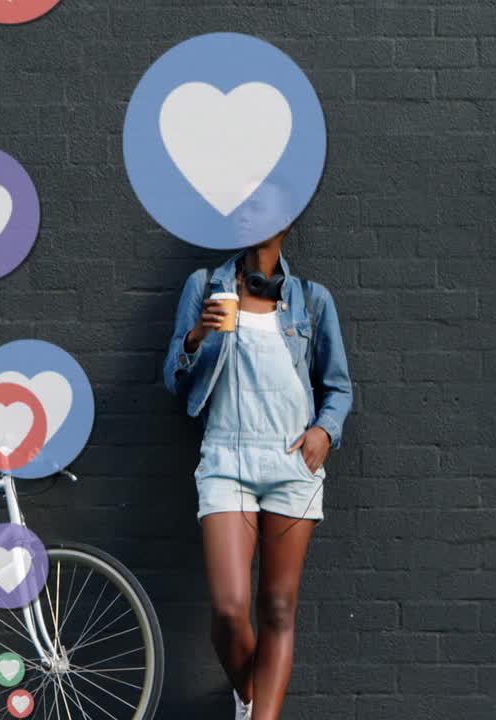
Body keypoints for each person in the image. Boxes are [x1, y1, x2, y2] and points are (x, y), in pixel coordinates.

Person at [162, 183, 353, 720]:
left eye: (258, 209)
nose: (246, 217)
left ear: (285, 221)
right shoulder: (205, 286)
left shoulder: (312, 300)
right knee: (229, 611)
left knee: (277, 608)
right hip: (227, 462)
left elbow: (338, 386)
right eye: (240, 210)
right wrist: (198, 335)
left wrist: (324, 432)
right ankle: (248, 697)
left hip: (292, 465)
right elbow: (174, 381)